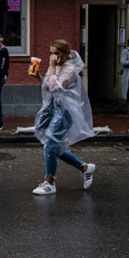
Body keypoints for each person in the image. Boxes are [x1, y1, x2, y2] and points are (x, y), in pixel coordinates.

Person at [30, 39, 96, 195]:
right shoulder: (56, 67)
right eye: (51, 53)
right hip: (53, 110)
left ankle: (50, 182)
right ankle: (84, 168)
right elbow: (47, 86)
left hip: (65, 112)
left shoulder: (70, 70)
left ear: (65, 53)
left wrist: (52, 68)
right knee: (55, 147)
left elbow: (55, 87)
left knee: (50, 144)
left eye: (57, 53)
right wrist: (38, 76)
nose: (53, 57)